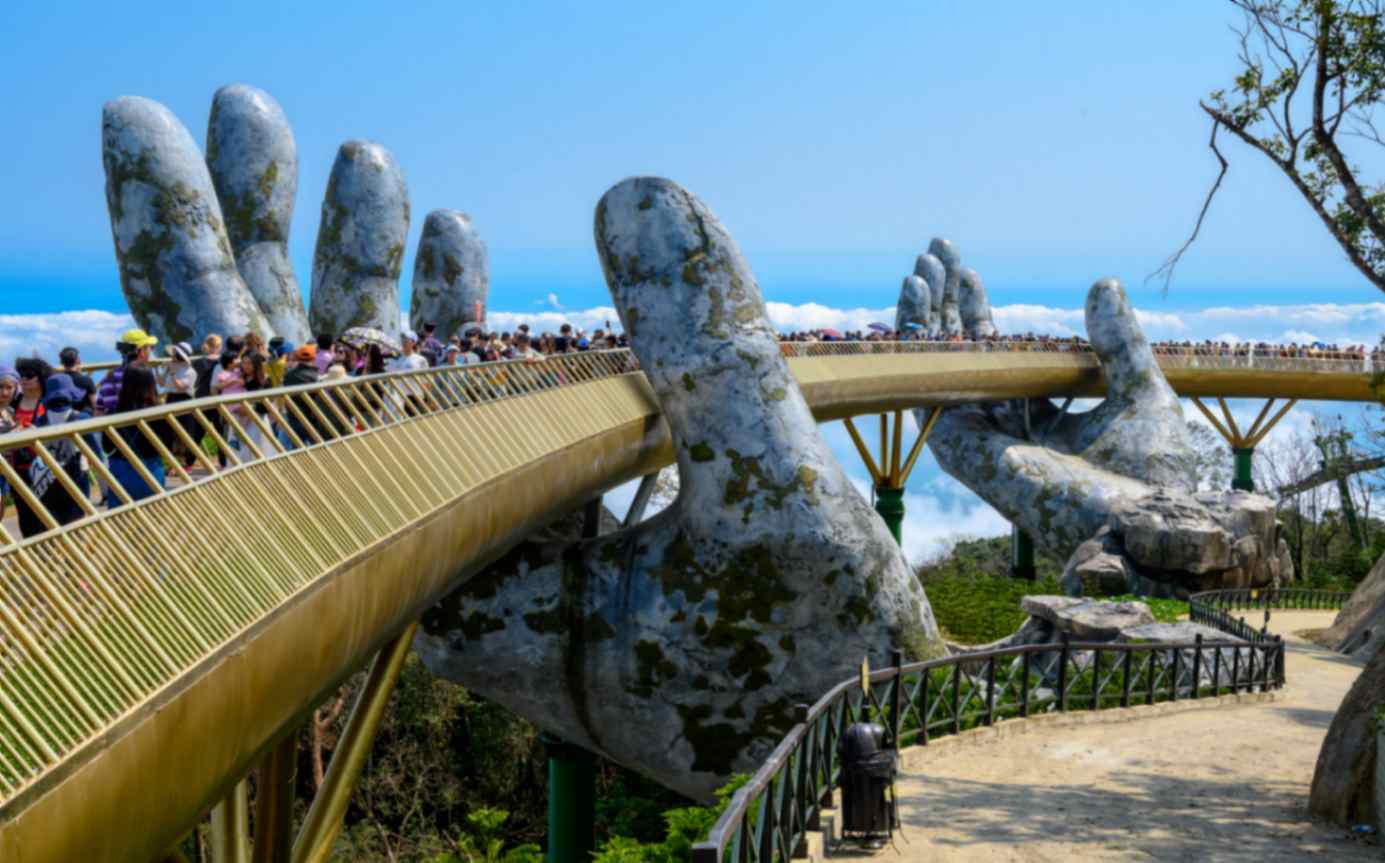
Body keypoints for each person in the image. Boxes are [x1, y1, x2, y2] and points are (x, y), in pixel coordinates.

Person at [24, 374, 98, 536]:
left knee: (54, 527)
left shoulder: (39, 422)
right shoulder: (81, 418)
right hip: (77, 477)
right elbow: (95, 451)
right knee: (78, 525)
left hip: (49, 480)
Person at [105, 366, 166, 506]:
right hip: (151, 468)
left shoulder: (113, 415)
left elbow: (107, 447)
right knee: (153, 515)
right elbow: (167, 444)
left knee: (119, 519)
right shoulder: (160, 414)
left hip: (120, 469)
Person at [95, 328, 157, 415]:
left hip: (114, 426)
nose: (151, 351)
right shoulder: (144, 374)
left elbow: (99, 410)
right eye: (151, 347)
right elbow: (152, 403)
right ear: (141, 351)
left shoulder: (109, 376)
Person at [156, 342, 199, 466]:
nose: (172, 356)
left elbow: (180, 387)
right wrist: (157, 370)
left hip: (183, 400)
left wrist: (173, 374)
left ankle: (187, 461)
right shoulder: (171, 368)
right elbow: (162, 383)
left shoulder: (190, 371)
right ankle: (174, 463)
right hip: (170, 398)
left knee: (184, 432)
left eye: (174, 354)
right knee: (170, 432)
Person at [58, 346, 96, 412]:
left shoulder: (58, 381)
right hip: (86, 419)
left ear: (62, 362)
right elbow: (95, 405)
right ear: (78, 360)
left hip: (65, 419)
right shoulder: (87, 380)